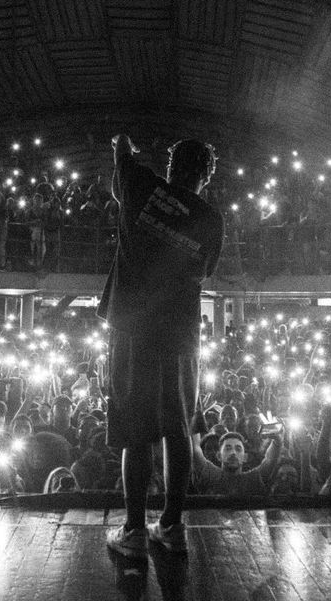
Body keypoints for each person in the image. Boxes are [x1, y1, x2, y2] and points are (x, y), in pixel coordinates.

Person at [101, 134, 224, 559]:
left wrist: (123, 146)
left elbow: (122, 160)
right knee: (179, 428)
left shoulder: (143, 187)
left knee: (136, 431)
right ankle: (172, 526)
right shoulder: (210, 218)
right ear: (206, 176)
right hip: (181, 335)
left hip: (134, 329)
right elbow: (204, 271)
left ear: (170, 166)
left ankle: (134, 531)